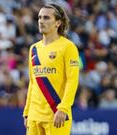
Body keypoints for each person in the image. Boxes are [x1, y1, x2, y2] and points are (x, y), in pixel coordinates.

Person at [23, 3, 79, 135]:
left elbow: (73, 80)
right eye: (39, 17)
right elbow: (32, 82)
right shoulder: (33, 48)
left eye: (46, 18)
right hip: (34, 116)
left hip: (56, 114)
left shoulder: (68, 47)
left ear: (58, 23)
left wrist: (63, 108)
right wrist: (27, 111)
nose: (41, 21)